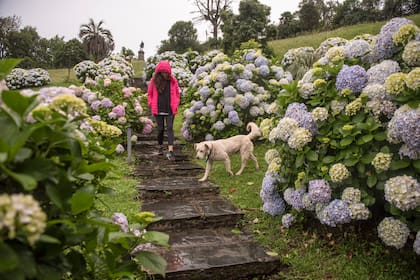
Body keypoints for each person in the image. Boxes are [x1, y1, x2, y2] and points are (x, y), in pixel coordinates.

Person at [147, 60, 180, 161]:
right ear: (160, 72)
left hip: (170, 109)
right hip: (158, 109)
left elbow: (177, 93)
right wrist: (151, 103)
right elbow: (149, 94)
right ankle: (160, 146)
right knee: (160, 129)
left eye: (167, 72)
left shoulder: (173, 81)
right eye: (164, 72)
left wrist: (176, 103)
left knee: (170, 128)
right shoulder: (154, 81)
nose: (166, 74)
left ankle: (170, 151)